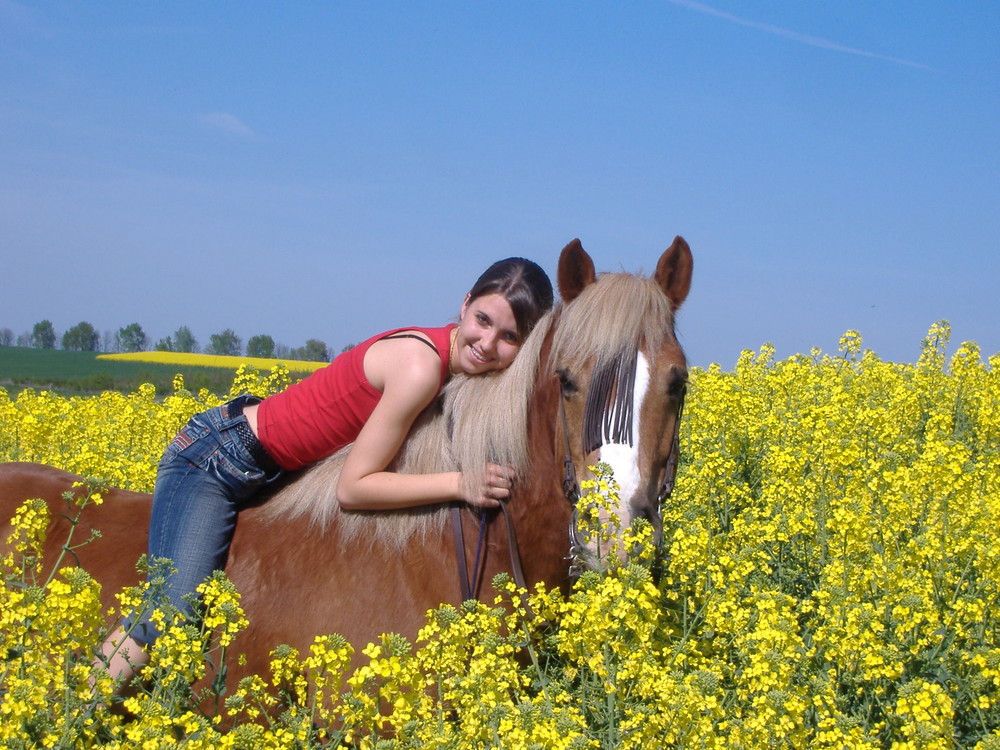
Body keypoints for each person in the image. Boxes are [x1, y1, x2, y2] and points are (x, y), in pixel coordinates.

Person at [95, 257, 554, 686]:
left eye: (510, 337)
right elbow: (353, 489)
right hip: (216, 460)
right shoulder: (420, 367)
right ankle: (77, 712)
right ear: (464, 305)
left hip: (270, 468)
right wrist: (460, 483)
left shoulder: (450, 366)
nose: (488, 344)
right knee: (170, 613)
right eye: (483, 320)